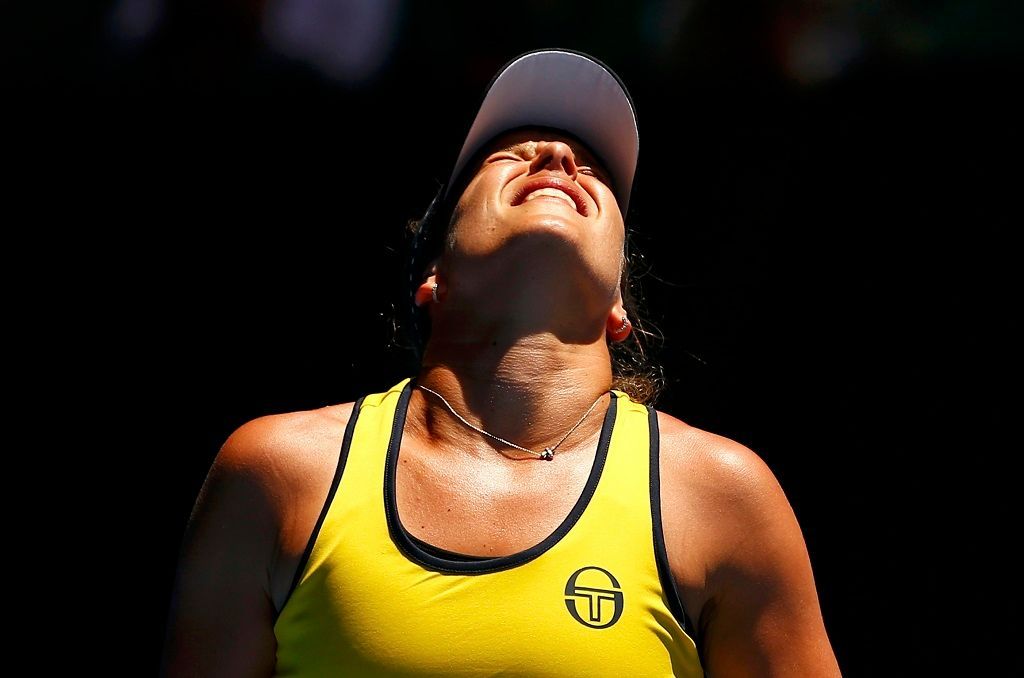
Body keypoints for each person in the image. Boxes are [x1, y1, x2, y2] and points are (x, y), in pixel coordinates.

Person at [160, 49, 842, 677]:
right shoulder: (276, 473)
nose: (555, 156)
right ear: (433, 275)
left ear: (618, 305)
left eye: (592, 168)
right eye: (506, 157)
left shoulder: (725, 498)